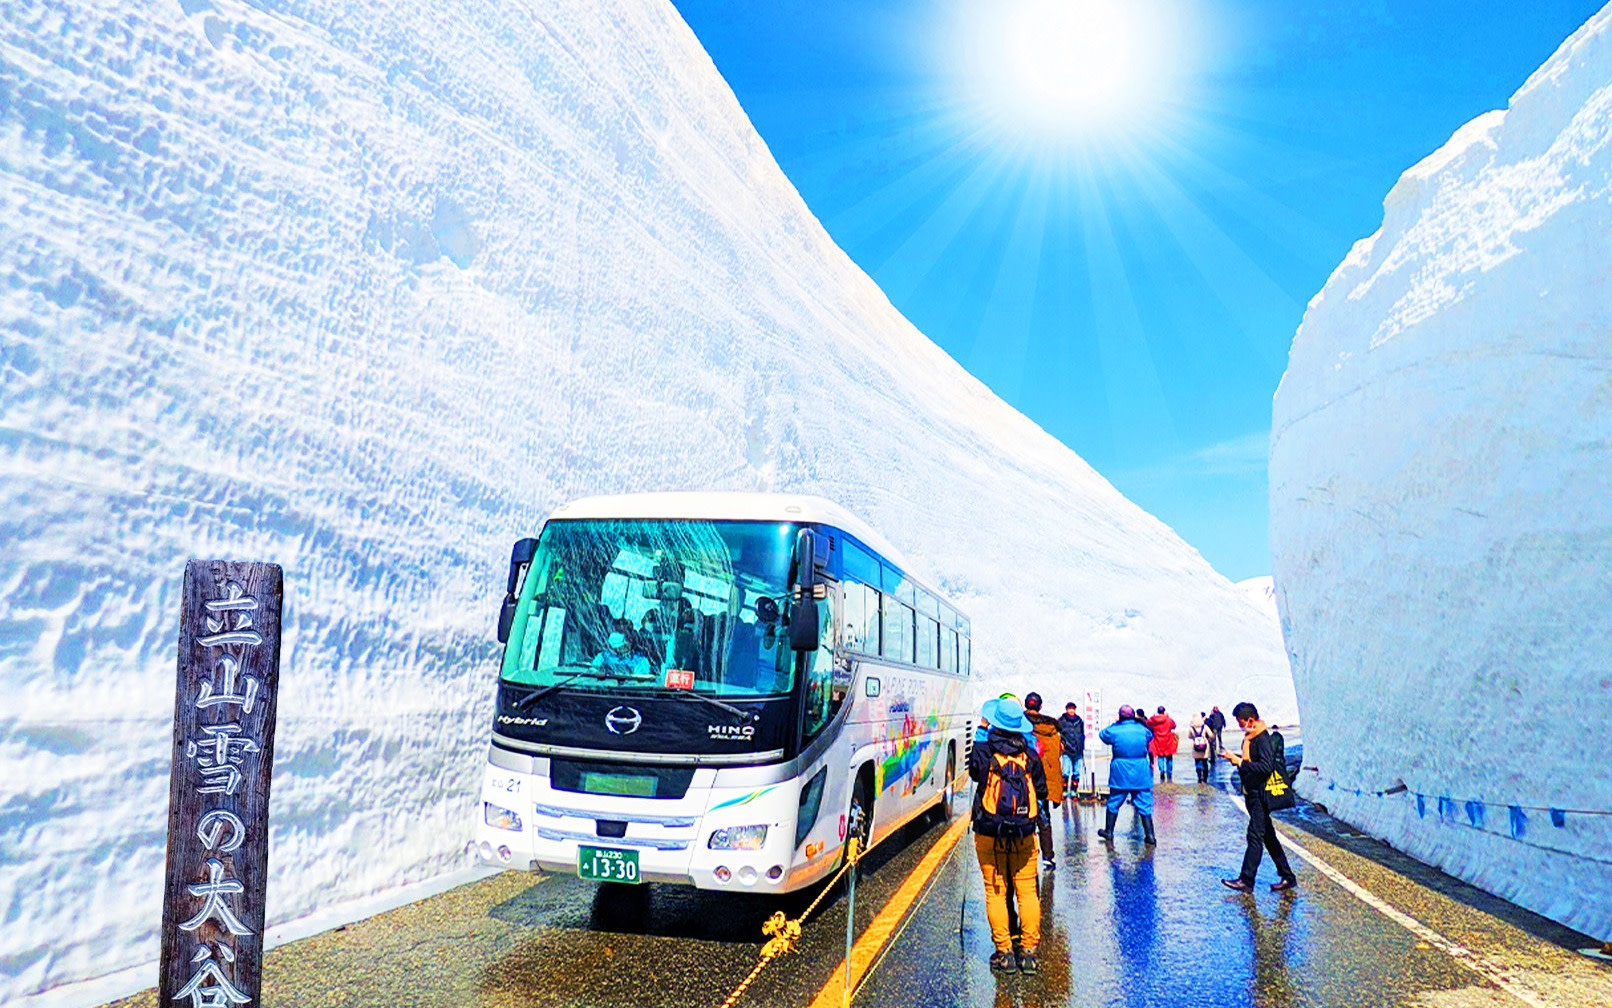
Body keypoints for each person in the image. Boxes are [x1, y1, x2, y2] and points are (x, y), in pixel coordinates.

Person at [970, 697, 1047, 974]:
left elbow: (975, 773)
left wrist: (981, 730)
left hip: (990, 829)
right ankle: (1028, 952)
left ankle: (1004, 953)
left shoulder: (986, 749)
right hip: (1024, 832)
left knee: (996, 891)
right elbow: (1042, 790)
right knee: (1027, 892)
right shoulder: (1029, 753)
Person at [1220, 701, 1298, 892]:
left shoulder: (1261, 739)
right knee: (1268, 837)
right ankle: (1288, 876)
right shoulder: (1251, 738)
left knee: (1255, 836)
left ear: (1251, 720)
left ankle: (1247, 880)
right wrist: (1237, 759)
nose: (1240, 726)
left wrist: (1239, 762)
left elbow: (1265, 767)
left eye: (1241, 722)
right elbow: (1252, 762)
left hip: (1260, 796)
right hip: (1252, 794)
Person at [1097, 705, 1156, 845]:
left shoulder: (1115, 730)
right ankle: (1150, 835)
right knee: (1144, 803)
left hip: (1121, 770)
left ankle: (1109, 832)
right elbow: (1150, 736)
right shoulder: (1142, 729)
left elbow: (1103, 734)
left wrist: (1116, 723)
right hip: (1140, 769)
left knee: (1114, 802)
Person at [1023, 692, 1064, 871]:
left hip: (1022, 779)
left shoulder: (1018, 725)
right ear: (1040, 707)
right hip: (1043, 783)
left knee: (1022, 816)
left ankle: (1024, 856)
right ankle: (1048, 857)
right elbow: (1056, 757)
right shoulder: (1052, 731)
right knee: (1043, 817)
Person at [1056, 701, 1085, 800]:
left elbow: (1083, 734)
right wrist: (1060, 743)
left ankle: (1074, 792)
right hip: (1067, 750)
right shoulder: (1061, 720)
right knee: (1065, 772)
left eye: (1073, 708)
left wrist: (1083, 745)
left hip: (1078, 751)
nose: (1071, 710)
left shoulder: (1079, 721)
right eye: (1069, 708)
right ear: (1066, 709)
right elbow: (1055, 733)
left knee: (1077, 772)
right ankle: (1064, 792)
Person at [1147, 706, 1179, 783]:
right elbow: (1174, 726)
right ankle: (1169, 773)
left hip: (1158, 740)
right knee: (1169, 757)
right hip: (1168, 740)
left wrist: (1154, 716)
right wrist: (1168, 717)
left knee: (1160, 757)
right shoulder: (1168, 719)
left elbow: (1147, 723)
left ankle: (1162, 771)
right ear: (1164, 711)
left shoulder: (1154, 720)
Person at [1189, 713, 1212, 784]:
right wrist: (1208, 740)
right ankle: (1205, 778)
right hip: (1205, 747)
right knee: (1205, 762)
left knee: (1198, 763)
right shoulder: (1205, 727)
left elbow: (1189, 736)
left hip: (1196, 747)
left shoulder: (1191, 728)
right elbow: (1211, 735)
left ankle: (1199, 777)